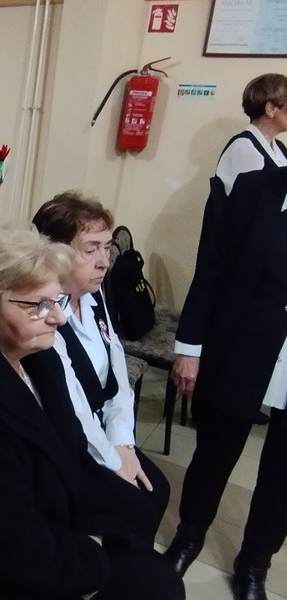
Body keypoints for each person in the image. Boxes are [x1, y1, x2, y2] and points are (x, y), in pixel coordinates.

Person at [0, 225, 184, 600]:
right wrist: (93, 560)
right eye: (40, 305)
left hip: (39, 523)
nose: (59, 319)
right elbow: (12, 543)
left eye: (57, 300)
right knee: (156, 589)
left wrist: (101, 528)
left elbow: (71, 451)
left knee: (148, 541)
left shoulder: (39, 357)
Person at [164, 74, 287, 600]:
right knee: (216, 451)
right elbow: (212, 264)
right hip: (245, 339)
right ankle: (189, 536)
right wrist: (189, 347)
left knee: (283, 471)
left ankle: (255, 562)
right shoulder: (255, 177)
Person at [33, 191, 170, 546]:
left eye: (107, 248)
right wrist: (114, 460)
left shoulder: (93, 297)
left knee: (157, 491)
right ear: (54, 251)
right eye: (90, 249)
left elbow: (117, 367)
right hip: (66, 442)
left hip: (101, 431)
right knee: (137, 504)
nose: (104, 262)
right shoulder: (44, 311)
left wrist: (123, 441)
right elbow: (72, 406)